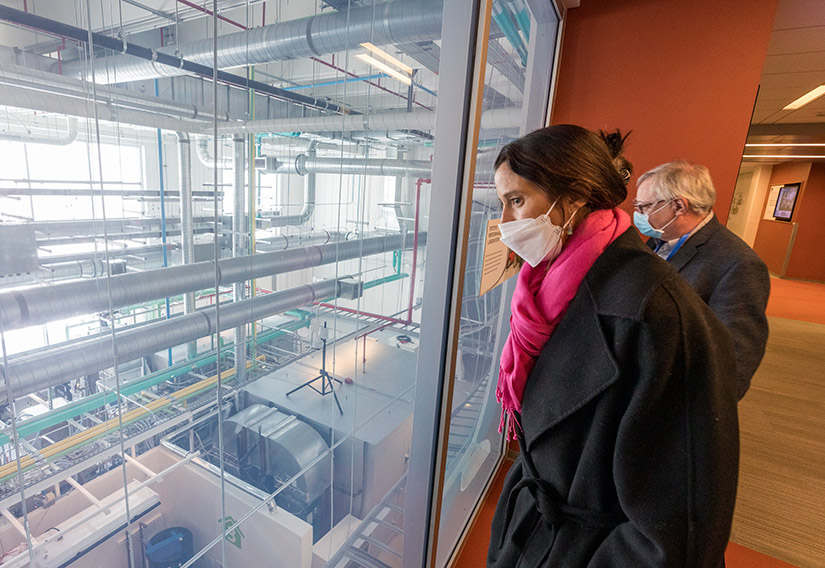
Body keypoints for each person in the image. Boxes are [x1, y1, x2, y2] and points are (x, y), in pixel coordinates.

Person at [487, 125, 738, 568]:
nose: (504, 223)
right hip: (538, 525)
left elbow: (679, 527)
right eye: (501, 204)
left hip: (585, 548)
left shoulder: (657, 313)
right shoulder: (547, 283)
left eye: (517, 200)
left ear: (575, 197)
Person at [633, 161, 770, 399]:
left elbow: (735, 358)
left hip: (675, 393)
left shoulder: (739, 264)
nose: (639, 215)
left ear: (678, 206)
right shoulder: (660, 240)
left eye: (644, 206)